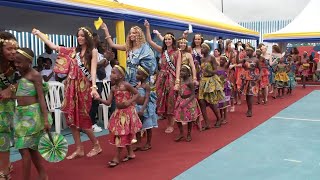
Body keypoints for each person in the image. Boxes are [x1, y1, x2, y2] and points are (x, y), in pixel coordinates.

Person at [32, 27, 102, 160]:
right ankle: (79, 149)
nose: (79, 38)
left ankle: (96, 145)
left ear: (87, 37)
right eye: (78, 36)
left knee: (83, 118)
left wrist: (94, 86)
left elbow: (93, 70)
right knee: (70, 118)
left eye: (82, 36)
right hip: (70, 87)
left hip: (84, 88)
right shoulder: (72, 51)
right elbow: (53, 46)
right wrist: (40, 34)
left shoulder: (93, 51)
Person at [14, 48, 50, 180]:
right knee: (32, 149)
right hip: (20, 115)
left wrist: (45, 119)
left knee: (23, 149)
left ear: (29, 61)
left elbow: (41, 98)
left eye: (19, 62)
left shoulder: (34, 75)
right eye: (15, 62)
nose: (17, 65)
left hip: (32, 115)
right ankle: (43, 175)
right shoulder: (18, 74)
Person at [96, 65, 142, 168]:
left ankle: (116, 157)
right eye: (111, 72)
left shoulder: (126, 85)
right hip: (119, 113)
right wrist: (98, 98)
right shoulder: (113, 88)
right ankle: (130, 153)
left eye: (113, 72)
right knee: (123, 133)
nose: (110, 75)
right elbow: (108, 103)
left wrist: (129, 101)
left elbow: (137, 94)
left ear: (120, 76)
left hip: (127, 113)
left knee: (121, 134)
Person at [144, 20, 182, 133]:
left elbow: (178, 67)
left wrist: (177, 82)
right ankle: (168, 119)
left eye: (169, 39)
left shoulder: (177, 52)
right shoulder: (162, 51)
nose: (167, 41)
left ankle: (171, 123)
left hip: (172, 78)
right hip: (161, 77)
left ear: (173, 40)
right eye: (165, 39)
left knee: (171, 100)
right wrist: (147, 27)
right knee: (161, 99)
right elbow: (150, 41)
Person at [101, 22, 157, 87]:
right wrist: (105, 30)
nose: (131, 35)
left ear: (139, 34)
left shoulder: (144, 47)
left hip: (140, 79)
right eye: (130, 33)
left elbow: (149, 65)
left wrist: (141, 81)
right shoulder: (128, 47)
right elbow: (112, 45)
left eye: (134, 33)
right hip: (128, 77)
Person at [0, 31, 19, 180]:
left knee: (3, 137)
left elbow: (25, 81)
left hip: (5, 107)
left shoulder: (18, 63)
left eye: (15, 48)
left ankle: (5, 171)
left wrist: (10, 89)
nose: (13, 52)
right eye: (8, 49)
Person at [198, 43, 224, 129]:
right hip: (203, 81)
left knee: (212, 102)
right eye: (201, 47)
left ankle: (219, 119)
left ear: (208, 49)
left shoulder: (211, 58)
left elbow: (216, 70)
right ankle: (207, 123)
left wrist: (209, 71)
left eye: (204, 47)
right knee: (201, 101)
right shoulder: (201, 59)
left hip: (211, 81)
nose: (202, 49)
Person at [174, 65, 202, 142]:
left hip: (188, 101)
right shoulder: (180, 80)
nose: (181, 73)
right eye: (180, 71)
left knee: (189, 119)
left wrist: (186, 102)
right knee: (177, 118)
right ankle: (181, 133)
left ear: (188, 73)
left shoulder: (190, 82)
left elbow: (193, 94)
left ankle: (189, 133)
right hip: (180, 100)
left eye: (183, 71)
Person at [134, 65, 158, 151]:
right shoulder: (137, 86)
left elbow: (147, 98)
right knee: (137, 126)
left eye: (138, 74)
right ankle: (138, 142)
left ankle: (148, 143)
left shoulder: (146, 86)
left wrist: (143, 109)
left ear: (144, 76)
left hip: (145, 109)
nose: (136, 75)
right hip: (137, 108)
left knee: (148, 126)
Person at [238, 46, 261, 117]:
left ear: (252, 51)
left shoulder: (256, 60)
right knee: (247, 95)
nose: (247, 52)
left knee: (250, 94)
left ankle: (250, 110)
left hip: (252, 77)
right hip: (245, 77)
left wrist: (259, 76)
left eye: (248, 51)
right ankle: (248, 109)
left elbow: (260, 69)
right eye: (246, 50)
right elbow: (237, 61)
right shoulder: (245, 59)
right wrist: (238, 53)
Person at [216, 54, 231, 124]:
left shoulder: (226, 67)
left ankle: (225, 117)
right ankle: (221, 116)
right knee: (219, 103)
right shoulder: (217, 67)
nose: (221, 61)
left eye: (223, 60)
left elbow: (230, 61)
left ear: (225, 61)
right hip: (218, 86)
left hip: (225, 87)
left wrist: (231, 55)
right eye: (220, 59)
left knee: (224, 103)